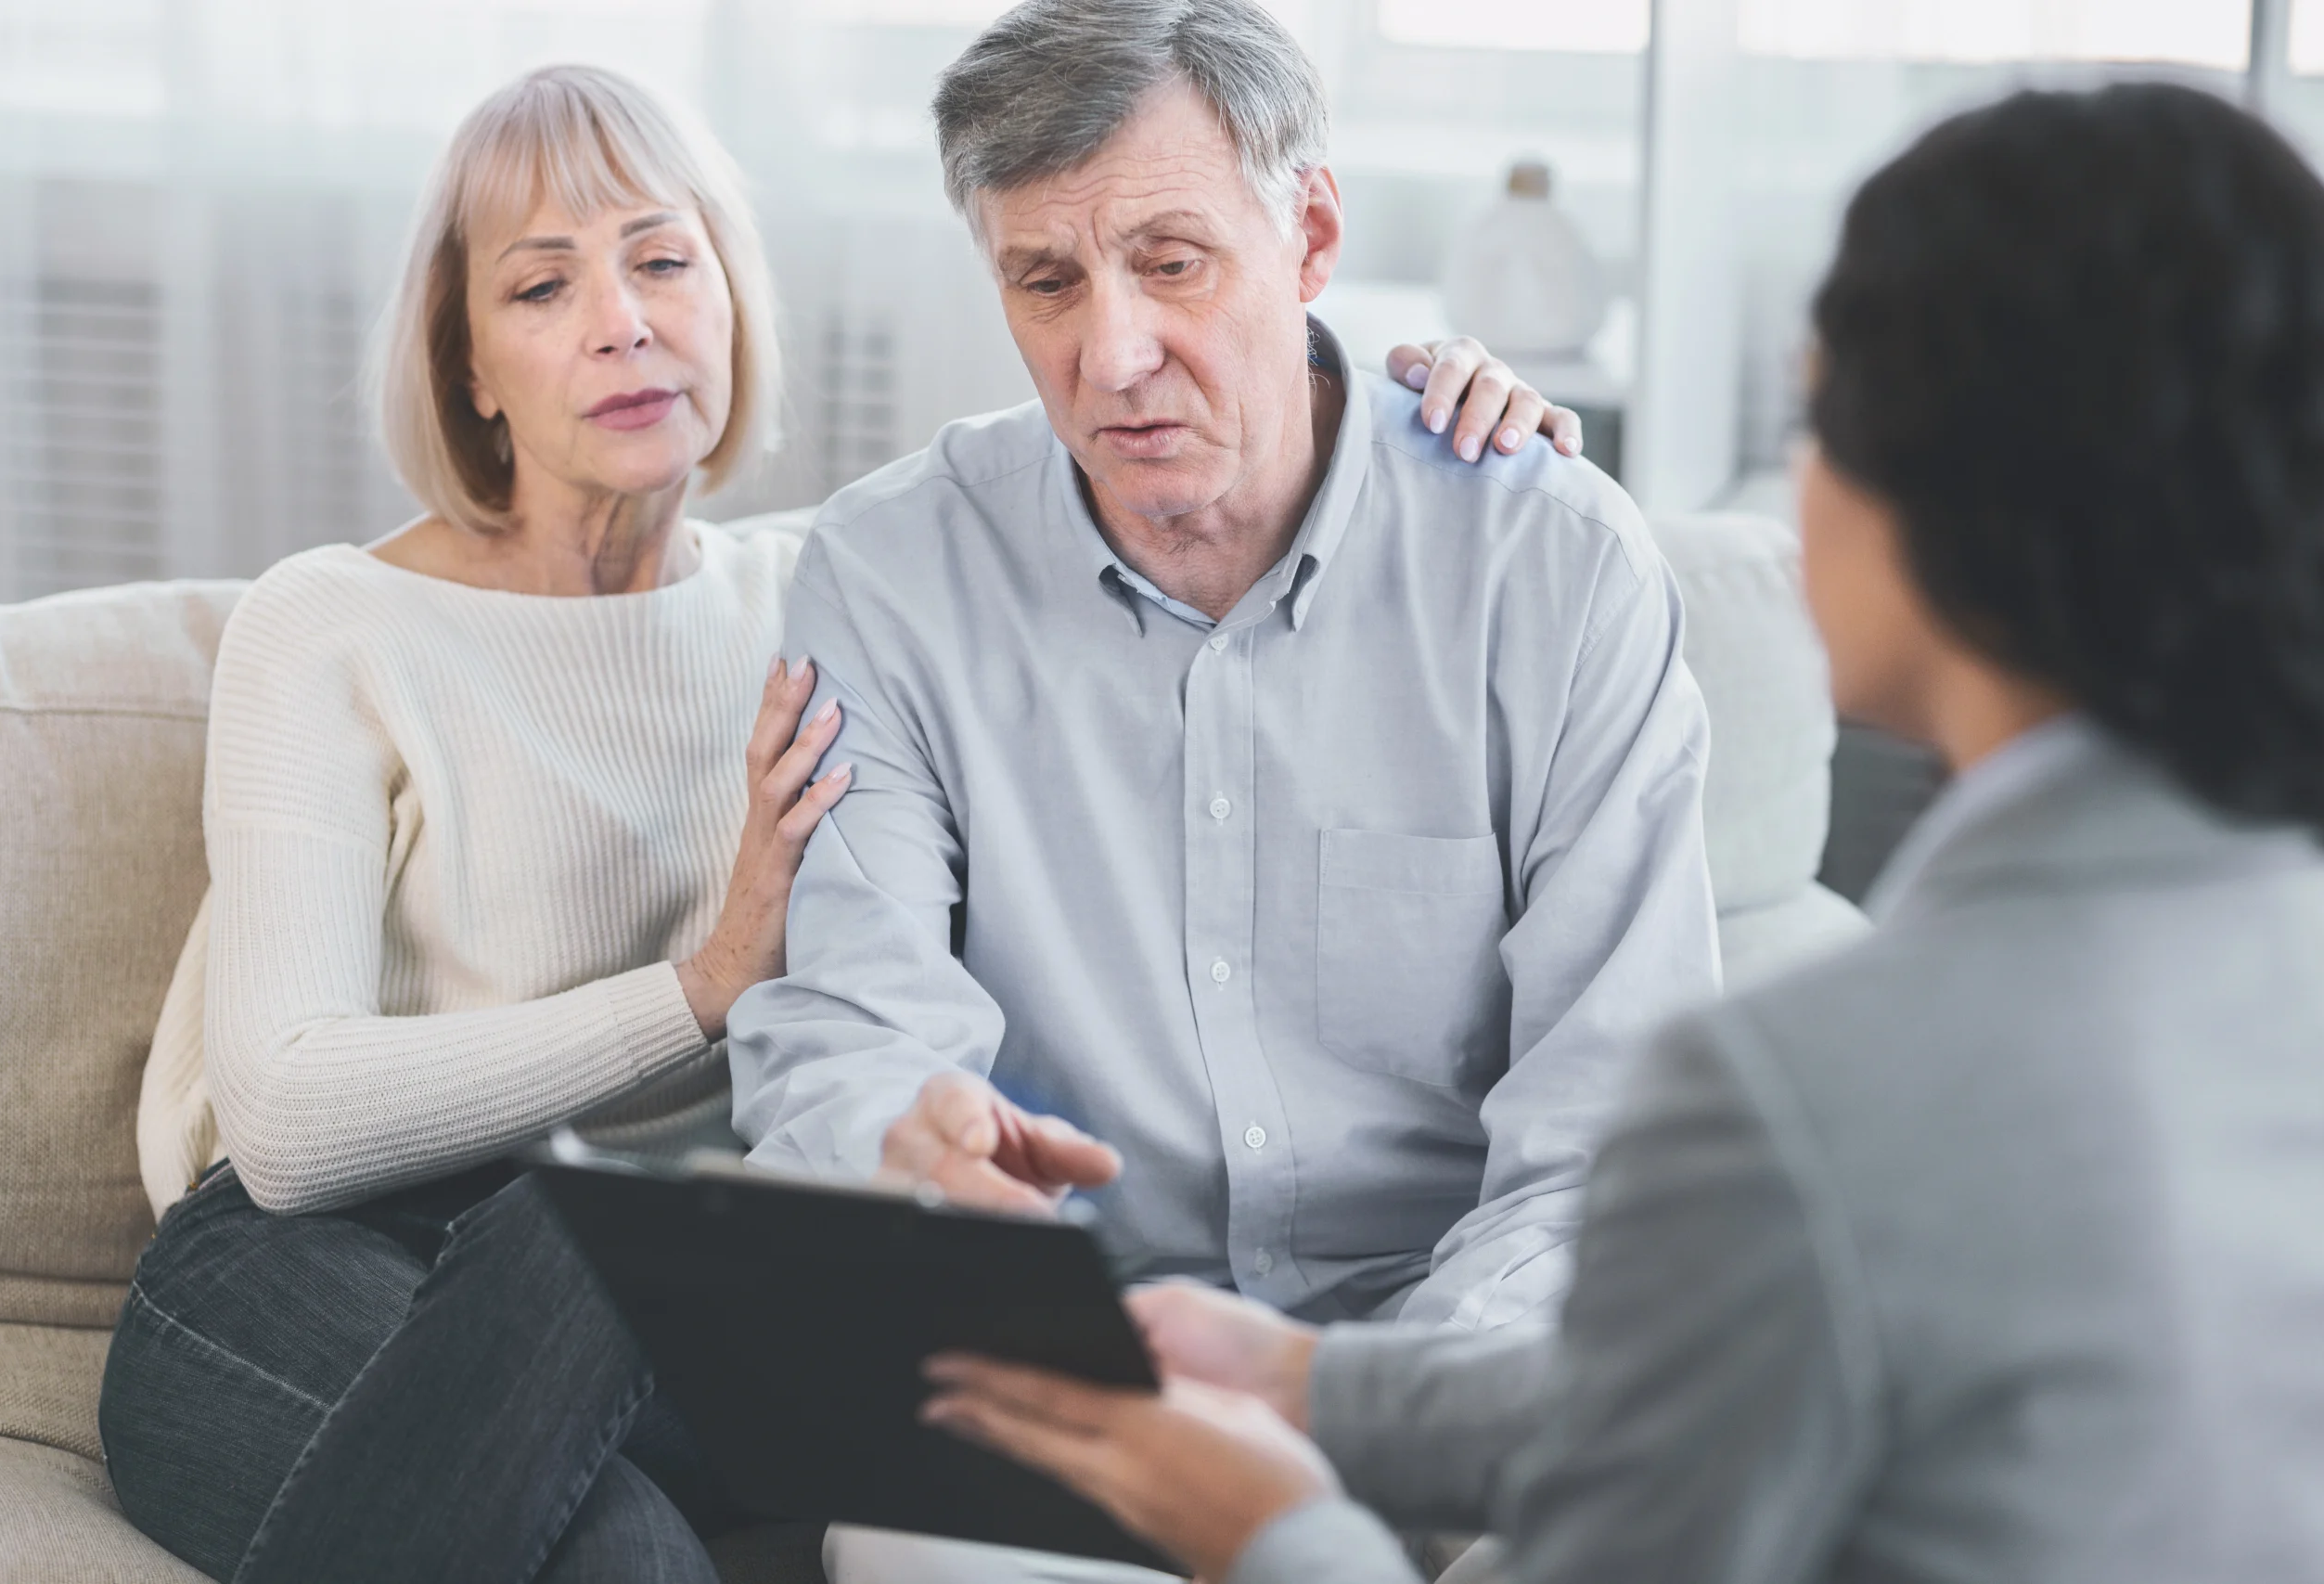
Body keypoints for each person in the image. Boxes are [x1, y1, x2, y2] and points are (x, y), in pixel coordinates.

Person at [95, 59, 1576, 1584]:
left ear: (733, 300)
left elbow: (1180, 446)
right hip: (311, 1268)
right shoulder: (332, 624)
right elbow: (283, 1125)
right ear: (467, 362)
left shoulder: (828, 593)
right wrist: (700, 990)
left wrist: (1412, 406)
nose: (623, 320)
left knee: (642, 1523)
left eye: (664, 261)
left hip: (657, 1302)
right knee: (600, 1315)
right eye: (542, 286)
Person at [915, 81, 2324, 1584]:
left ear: (1953, 502)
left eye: (1813, 416)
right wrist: (1313, 1389)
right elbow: (1742, 1388)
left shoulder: (1801, 1103)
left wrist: (1264, 1524)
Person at [725, 3, 1718, 1575]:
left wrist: (1355, 1413)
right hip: (1085, 1375)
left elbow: (1608, 1137)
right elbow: (848, 1034)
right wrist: (904, 1142)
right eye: (1045, 281)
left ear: (1309, 233)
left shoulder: (1551, 566)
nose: (1110, 356)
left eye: (1171, 262)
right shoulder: (891, 575)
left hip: (1459, 1354)